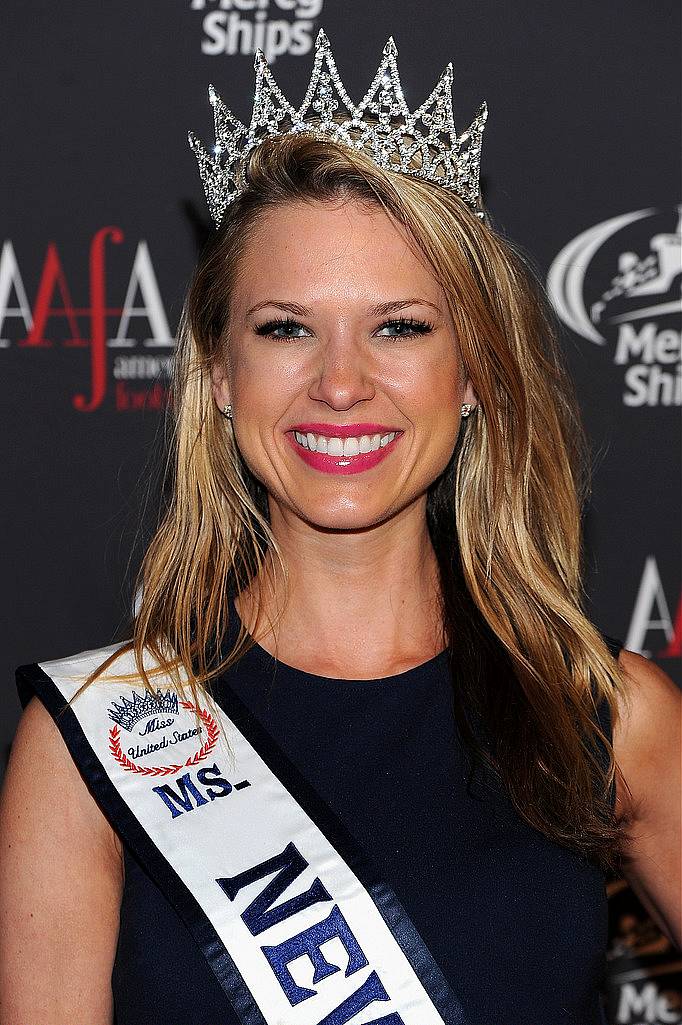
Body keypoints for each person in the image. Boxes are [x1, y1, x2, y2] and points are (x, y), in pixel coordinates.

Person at [0, 28, 679, 1025]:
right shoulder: (87, 742)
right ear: (221, 376)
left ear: (477, 374)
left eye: (399, 325)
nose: (341, 383)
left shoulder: (610, 717)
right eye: (285, 328)